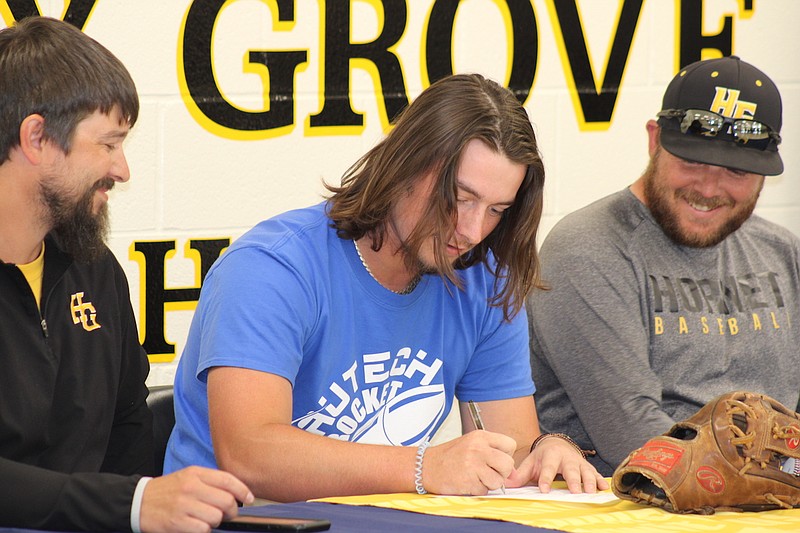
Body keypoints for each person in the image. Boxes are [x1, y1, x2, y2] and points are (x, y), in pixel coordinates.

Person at [164, 73, 608, 500]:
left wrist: (542, 453)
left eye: (496, 210)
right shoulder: (272, 268)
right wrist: (425, 467)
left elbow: (509, 451)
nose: (473, 230)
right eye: (460, 199)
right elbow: (251, 457)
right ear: (404, 166)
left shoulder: (485, 279)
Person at [0, 16, 254, 532]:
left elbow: (128, 426)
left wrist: (137, 507)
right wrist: (131, 504)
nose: (122, 170)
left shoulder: (95, 270)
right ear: (37, 138)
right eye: (108, 144)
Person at [527, 55, 800, 476]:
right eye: (692, 160)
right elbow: (635, 435)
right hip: (636, 501)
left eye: (736, 170)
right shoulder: (587, 249)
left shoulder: (783, 252)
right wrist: (788, 471)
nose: (708, 187)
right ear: (655, 141)